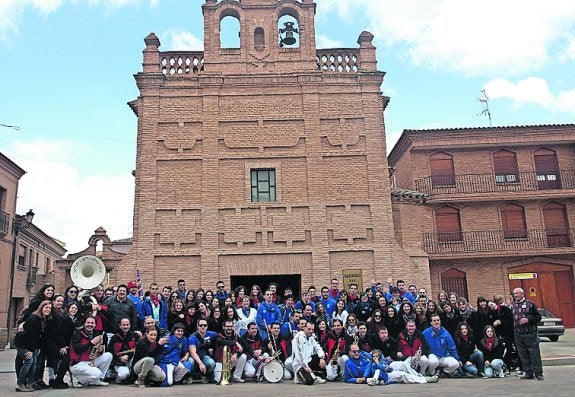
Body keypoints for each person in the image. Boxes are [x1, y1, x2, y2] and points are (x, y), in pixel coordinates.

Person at [14, 300, 53, 392]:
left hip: (30, 344)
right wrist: (31, 350)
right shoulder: (34, 318)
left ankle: (30, 383)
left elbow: (37, 336)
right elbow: (30, 336)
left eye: (50, 308)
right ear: (41, 308)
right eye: (46, 307)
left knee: (34, 362)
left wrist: (35, 348)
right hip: (22, 344)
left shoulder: (43, 319)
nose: (48, 310)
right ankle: (20, 384)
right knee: (29, 360)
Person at [69, 316, 113, 387]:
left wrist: (100, 350)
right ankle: (77, 378)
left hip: (89, 361)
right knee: (98, 373)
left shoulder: (96, 333)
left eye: (92, 323)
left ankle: (98, 380)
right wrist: (91, 343)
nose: (90, 325)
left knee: (108, 355)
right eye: (88, 323)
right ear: (84, 324)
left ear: (95, 325)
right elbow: (77, 349)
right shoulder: (77, 334)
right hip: (77, 363)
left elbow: (95, 350)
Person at [511, 287, 543, 381]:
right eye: (514, 294)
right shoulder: (512, 305)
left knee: (534, 354)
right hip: (518, 334)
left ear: (522, 294)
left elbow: (538, 317)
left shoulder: (530, 304)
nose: (515, 295)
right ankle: (528, 373)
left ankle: (538, 373)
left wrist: (528, 320)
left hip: (530, 333)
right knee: (523, 355)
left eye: (517, 293)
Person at [290, 321, 327, 385]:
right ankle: (298, 376)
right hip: (300, 365)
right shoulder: (298, 337)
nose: (311, 331)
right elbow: (299, 356)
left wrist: (322, 358)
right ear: (304, 328)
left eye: (312, 329)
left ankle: (315, 375)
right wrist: (305, 367)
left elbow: (318, 348)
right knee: (310, 382)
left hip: (309, 362)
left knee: (323, 355)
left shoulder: (311, 337)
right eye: (309, 329)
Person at [213, 319, 247, 383]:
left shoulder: (236, 335)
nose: (229, 328)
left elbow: (242, 349)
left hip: (231, 361)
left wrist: (236, 354)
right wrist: (235, 343)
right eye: (227, 326)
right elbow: (221, 342)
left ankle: (236, 377)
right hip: (220, 362)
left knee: (243, 356)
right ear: (223, 327)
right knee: (219, 380)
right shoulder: (218, 336)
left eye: (231, 326)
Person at [109, 318, 139, 384]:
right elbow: (110, 352)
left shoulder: (135, 336)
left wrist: (128, 356)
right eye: (124, 325)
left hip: (131, 360)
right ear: (120, 326)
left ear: (130, 325)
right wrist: (120, 358)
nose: (125, 327)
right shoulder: (114, 337)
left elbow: (138, 350)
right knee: (124, 374)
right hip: (119, 362)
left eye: (127, 324)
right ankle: (118, 377)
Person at [187, 319, 217, 383]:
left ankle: (205, 375)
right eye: (200, 325)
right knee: (190, 362)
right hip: (194, 357)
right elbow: (192, 352)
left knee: (211, 363)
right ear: (197, 327)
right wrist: (200, 364)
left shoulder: (211, 334)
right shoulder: (192, 337)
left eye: (205, 325)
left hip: (204, 356)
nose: (203, 327)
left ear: (207, 326)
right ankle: (190, 376)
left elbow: (222, 336)